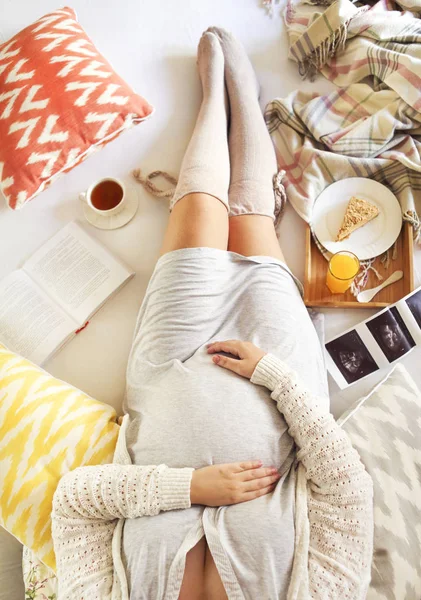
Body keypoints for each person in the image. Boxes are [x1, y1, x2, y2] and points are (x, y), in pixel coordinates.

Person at [51, 28, 374, 600]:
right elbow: (345, 487)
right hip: (278, 382)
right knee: (250, 219)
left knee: (200, 211)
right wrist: (274, 377)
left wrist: (189, 487)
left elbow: (76, 501)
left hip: (169, 373)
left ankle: (213, 99)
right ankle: (243, 99)